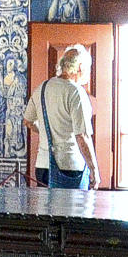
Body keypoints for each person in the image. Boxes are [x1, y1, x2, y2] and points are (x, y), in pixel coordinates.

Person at [23, 44, 99, 190]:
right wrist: (94, 170)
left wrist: (47, 131)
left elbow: (28, 121)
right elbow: (82, 136)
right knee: (71, 213)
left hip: (42, 167)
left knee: (46, 212)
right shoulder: (76, 92)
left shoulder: (42, 88)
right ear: (80, 67)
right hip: (70, 167)